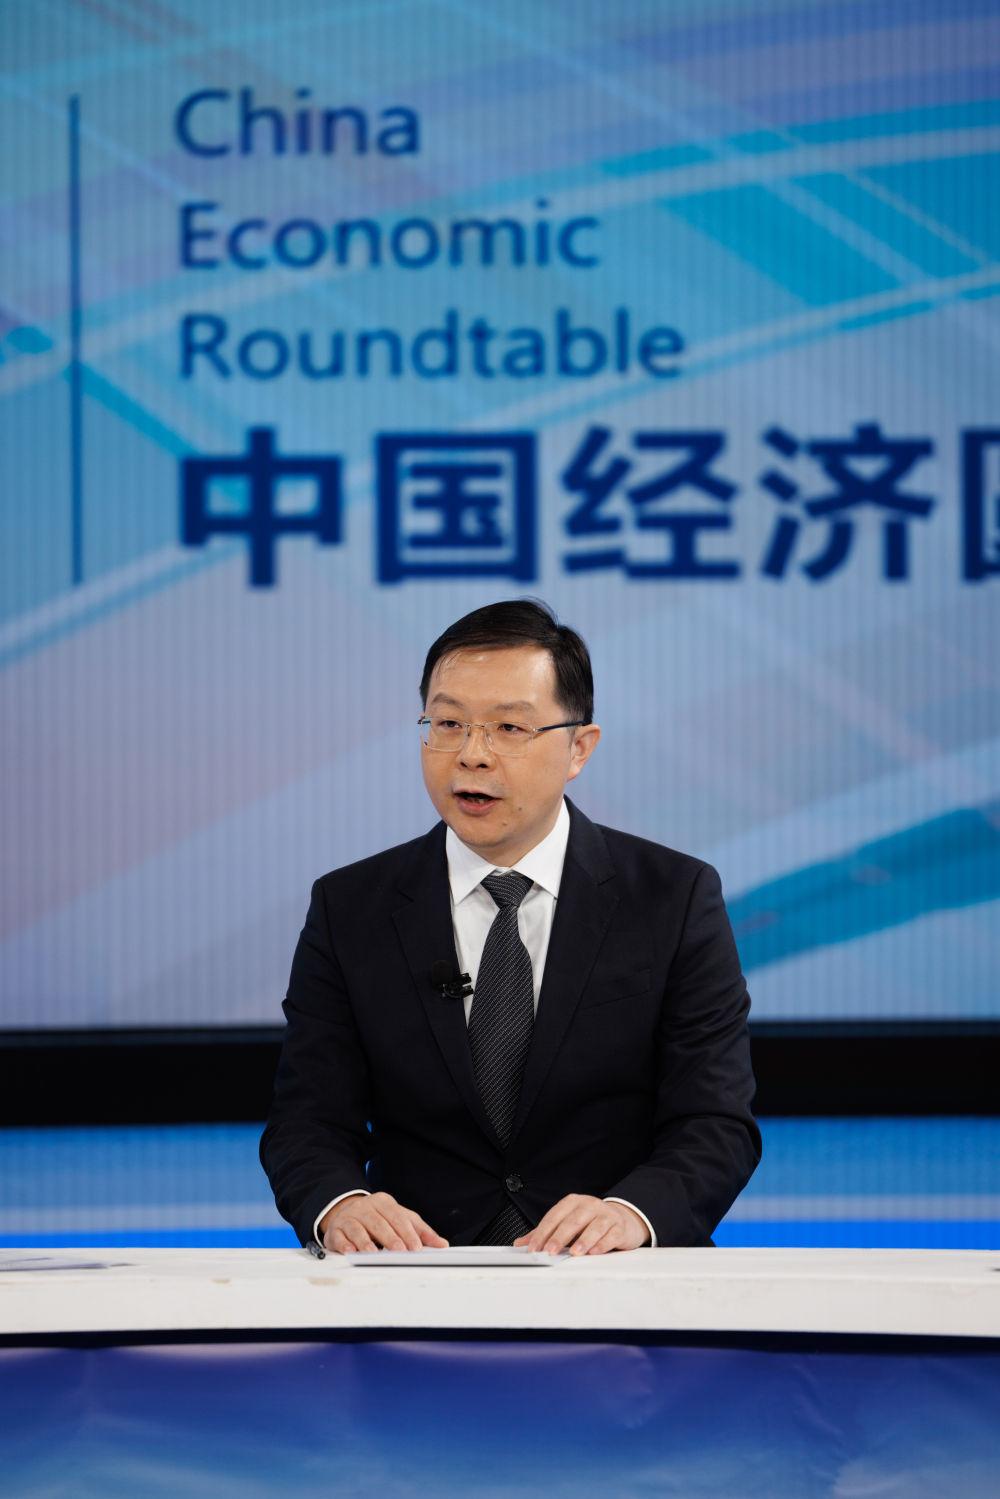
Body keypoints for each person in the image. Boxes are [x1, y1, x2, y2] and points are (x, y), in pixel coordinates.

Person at [260, 600, 760, 1255]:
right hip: (414, 1274)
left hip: (613, 1276)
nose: (472, 755)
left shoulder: (673, 896)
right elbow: (307, 1120)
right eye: (448, 723)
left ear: (579, 748)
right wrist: (341, 1203)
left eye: (508, 727)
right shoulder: (350, 906)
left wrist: (633, 1214)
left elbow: (716, 1121)